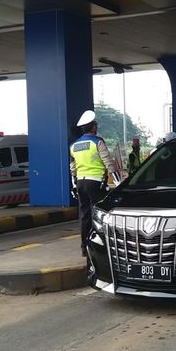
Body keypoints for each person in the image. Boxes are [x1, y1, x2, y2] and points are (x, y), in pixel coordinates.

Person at [70, 110, 121, 257]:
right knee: (99, 214)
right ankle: (98, 246)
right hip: (96, 183)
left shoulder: (74, 145)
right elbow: (108, 163)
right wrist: (118, 183)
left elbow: (73, 168)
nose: (96, 126)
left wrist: (74, 185)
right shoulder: (97, 142)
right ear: (92, 127)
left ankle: (84, 246)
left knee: (84, 214)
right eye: (95, 124)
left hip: (80, 183)